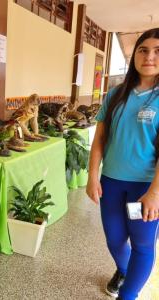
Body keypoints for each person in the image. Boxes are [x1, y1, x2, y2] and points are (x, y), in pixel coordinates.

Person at [87, 28, 159, 300]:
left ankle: (127, 295)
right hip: (113, 184)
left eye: (157, 51)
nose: (149, 56)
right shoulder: (116, 93)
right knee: (115, 239)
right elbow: (100, 139)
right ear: (135, 55)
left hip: (145, 188)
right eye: (143, 50)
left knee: (141, 244)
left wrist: (155, 193)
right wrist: (92, 176)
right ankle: (123, 269)